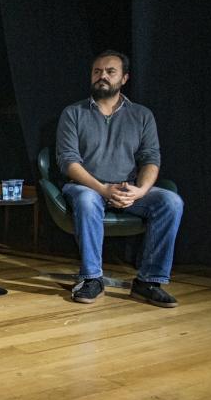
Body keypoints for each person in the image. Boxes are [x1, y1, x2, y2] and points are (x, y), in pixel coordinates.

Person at [56, 50, 183, 307]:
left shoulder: (142, 115)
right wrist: (102, 188)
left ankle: (148, 282)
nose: (102, 76)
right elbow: (68, 160)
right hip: (87, 186)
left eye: (110, 71)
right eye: (97, 71)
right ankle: (91, 278)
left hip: (127, 188)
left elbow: (151, 158)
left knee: (171, 202)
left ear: (124, 78)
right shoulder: (73, 113)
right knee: (87, 199)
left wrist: (140, 190)